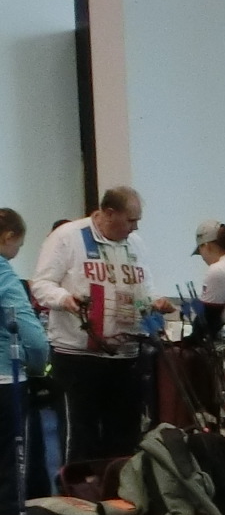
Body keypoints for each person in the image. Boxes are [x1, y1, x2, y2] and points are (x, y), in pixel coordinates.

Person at [30, 186, 174, 463]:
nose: (135, 227)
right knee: (80, 438)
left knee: (124, 438)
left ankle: (119, 486)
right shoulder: (67, 237)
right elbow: (41, 284)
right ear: (109, 213)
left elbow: (146, 286)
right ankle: (77, 487)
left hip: (126, 355)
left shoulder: (135, 243)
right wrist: (64, 299)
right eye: (131, 220)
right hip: (78, 356)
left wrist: (156, 301)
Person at [0, 210, 52, 513]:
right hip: (6, 381)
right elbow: (34, 338)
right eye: (18, 246)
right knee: (10, 465)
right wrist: (36, 367)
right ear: (8, 237)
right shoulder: (4, 275)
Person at [193, 219, 225, 335]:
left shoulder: (218, 270)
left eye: (200, 252)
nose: (202, 258)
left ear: (206, 246)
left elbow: (208, 320)